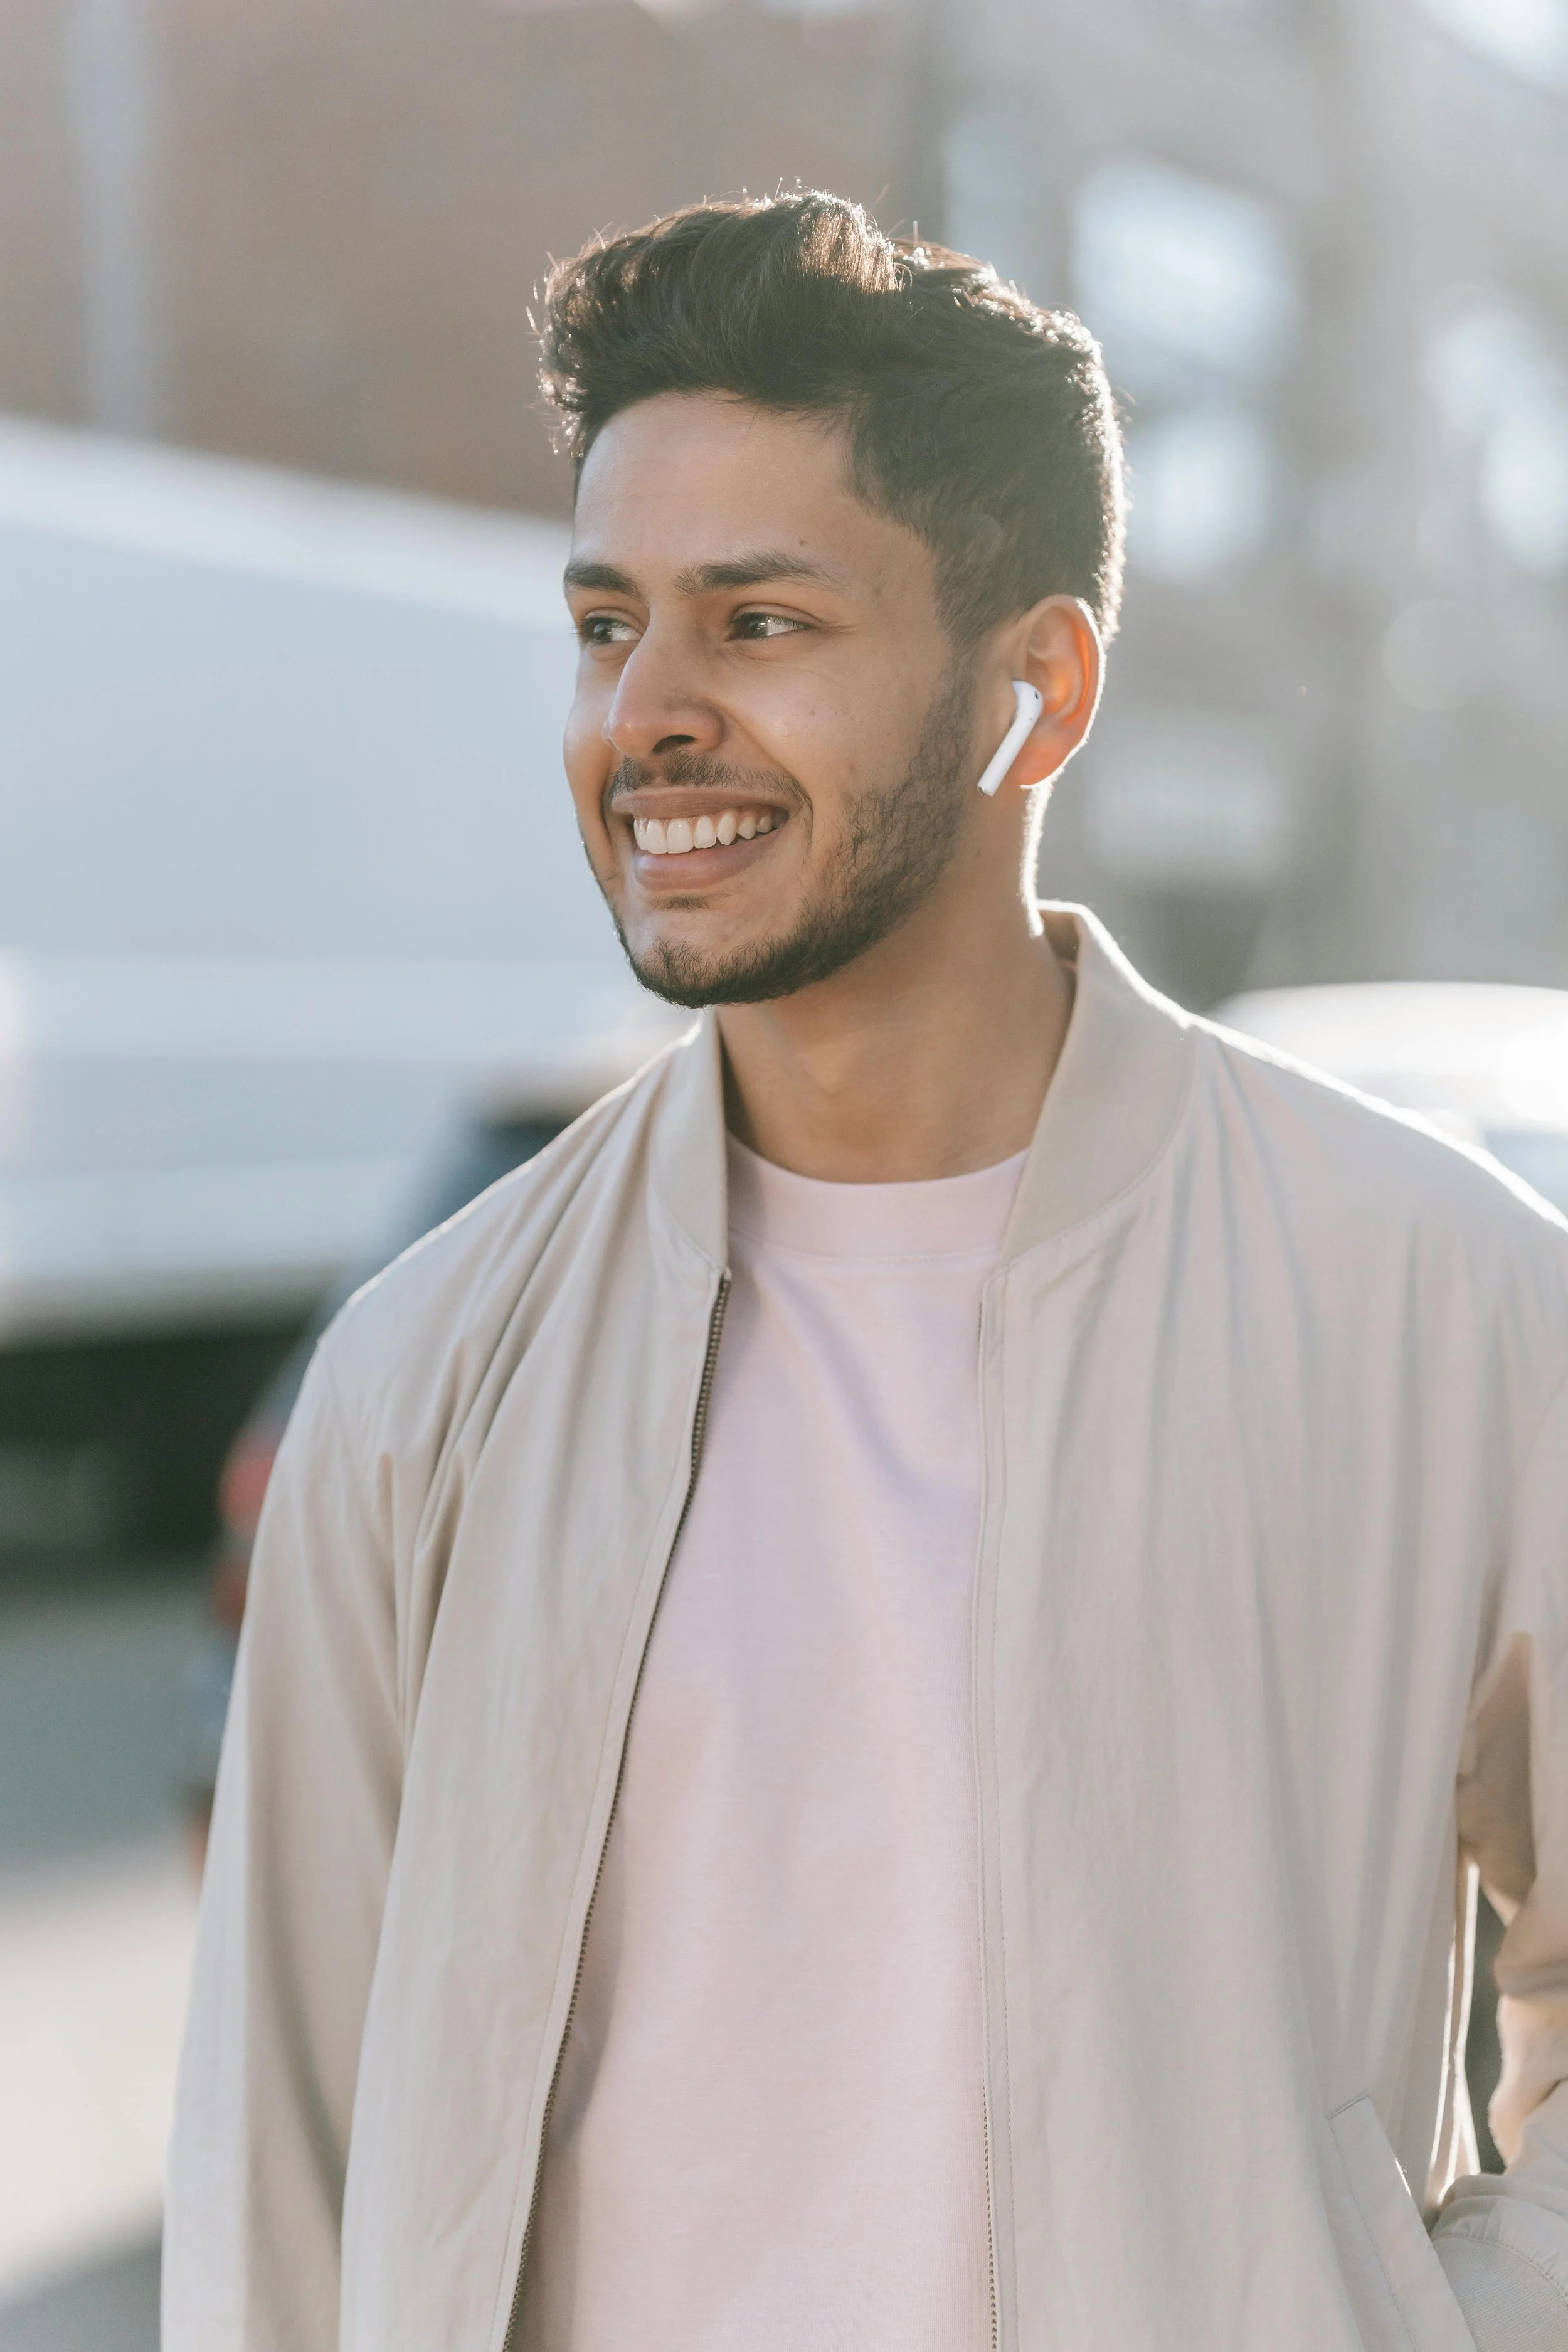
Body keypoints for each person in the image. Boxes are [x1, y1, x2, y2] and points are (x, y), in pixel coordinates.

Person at [164, 194, 1568, 2352]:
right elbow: (280, 2168)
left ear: (1040, 687)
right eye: (606, 620)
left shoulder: (1443, 1303)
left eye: (759, 624)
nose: (646, 714)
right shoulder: (428, 1373)